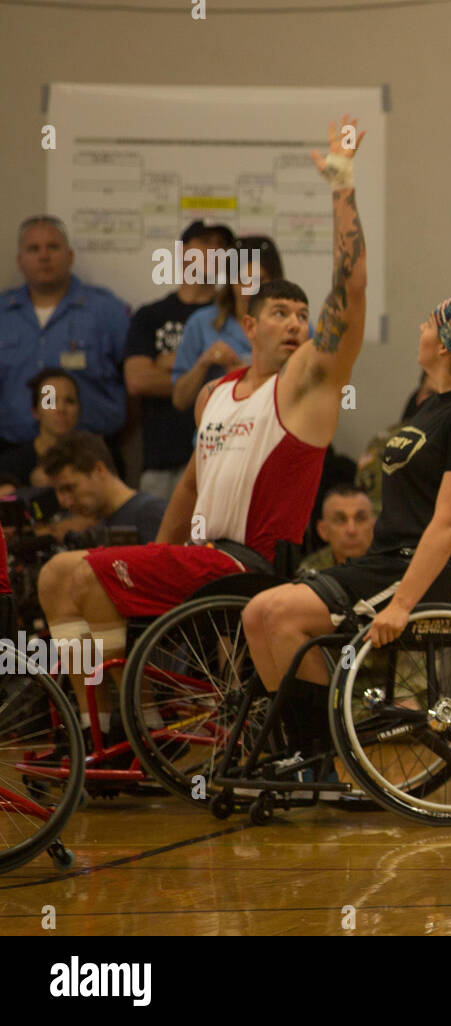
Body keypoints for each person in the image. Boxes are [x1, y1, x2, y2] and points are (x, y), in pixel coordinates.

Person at [36, 115, 369, 740]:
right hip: (196, 559)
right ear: (249, 324)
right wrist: (157, 554)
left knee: (78, 571)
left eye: (302, 313)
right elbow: (190, 485)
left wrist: (341, 185)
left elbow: (348, 297)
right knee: (59, 576)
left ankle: (116, 727)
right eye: (280, 312)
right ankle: (110, 724)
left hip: (247, 565)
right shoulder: (214, 394)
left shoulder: (302, 392)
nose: (296, 323)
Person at [242, 294, 451, 773]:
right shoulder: (433, 406)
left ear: (447, 344)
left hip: (431, 572)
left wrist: (402, 604)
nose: (419, 329)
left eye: (429, 322)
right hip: (387, 559)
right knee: (258, 612)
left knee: (279, 616)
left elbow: (448, 524)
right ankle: (304, 747)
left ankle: (316, 754)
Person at [0, 215, 129, 446]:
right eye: (33, 249)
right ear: (20, 260)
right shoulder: (3, 313)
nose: (44, 256)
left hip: (91, 449)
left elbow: (133, 383)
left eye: (53, 247)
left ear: (70, 256)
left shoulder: (106, 310)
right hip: (13, 452)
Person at [124, 222, 219, 500]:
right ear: (182, 253)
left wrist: (171, 363)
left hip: (217, 456)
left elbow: (236, 380)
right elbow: (138, 380)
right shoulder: (151, 316)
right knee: (159, 540)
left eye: (220, 247)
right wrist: (205, 365)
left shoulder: (232, 317)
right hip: (161, 458)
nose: (212, 252)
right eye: (204, 243)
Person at [170, 232, 284, 413]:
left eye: (259, 280)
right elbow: (179, 400)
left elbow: (312, 395)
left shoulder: (294, 326)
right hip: (219, 435)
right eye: (241, 280)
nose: (249, 290)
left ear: (274, 282)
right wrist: (204, 363)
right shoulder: (202, 323)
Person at [39, 431, 167, 545]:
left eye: (70, 488)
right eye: (59, 492)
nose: (64, 502)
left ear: (99, 470)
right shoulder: (98, 527)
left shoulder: (149, 513)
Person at [0, 367, 83, 486]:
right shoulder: (9, 466)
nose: (61, 409)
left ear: (79, 410)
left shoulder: (94, 460)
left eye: (69, 401)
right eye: (50, 402)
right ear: (35, 411)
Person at [297, 485, 375, 574]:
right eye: (340, 520)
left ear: (375, 526)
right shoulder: (310, 572)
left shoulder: (391, 569)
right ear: (322, 530)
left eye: (360, 519)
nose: (351, 530)